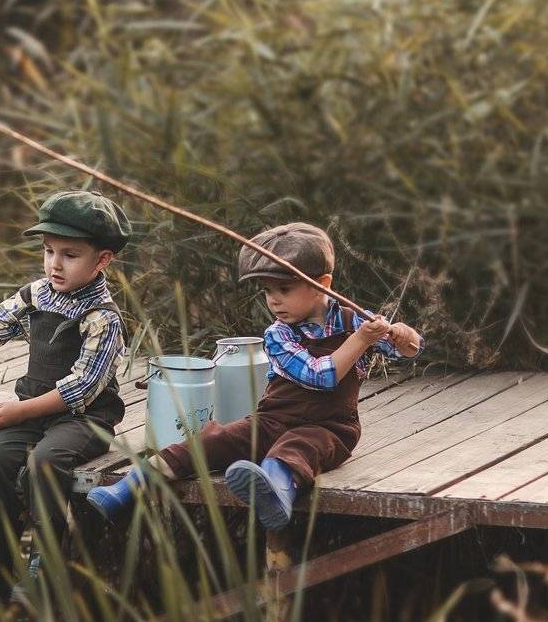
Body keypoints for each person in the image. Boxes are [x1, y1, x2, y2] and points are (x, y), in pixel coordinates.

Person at [87, 221, 421, 530]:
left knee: (298, 446)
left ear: (322, 285)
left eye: (284, 289)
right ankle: (127, 488)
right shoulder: (279, 334)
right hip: (273, 419)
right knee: (214, 439)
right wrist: (361, 340)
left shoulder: (353, 322)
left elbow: (407, 350)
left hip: (331, 428)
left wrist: (404, 336)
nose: (274, 301)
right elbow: (321, 376)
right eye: (267, 291)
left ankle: (275, 491)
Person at [0, 189, 131, 602]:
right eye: (49, 251)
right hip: (34, 412)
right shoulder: (37, 294)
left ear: (102, 259)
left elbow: (81, 388)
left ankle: (43, 573)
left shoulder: (102, 318)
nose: (55, 264)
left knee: (44, 465)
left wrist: (20, 411)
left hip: (84, 419)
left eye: (70, 255)